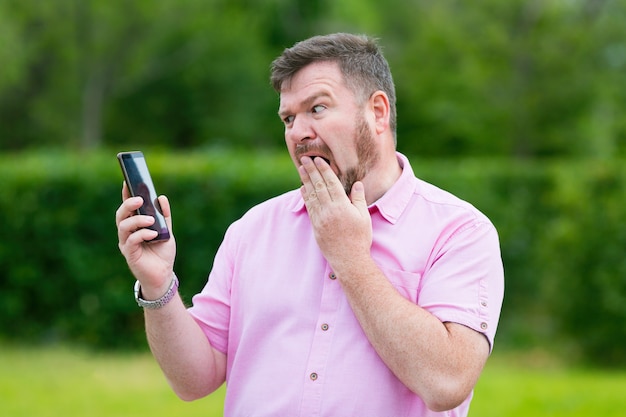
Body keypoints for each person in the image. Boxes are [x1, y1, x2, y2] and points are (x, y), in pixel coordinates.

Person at [116, 33, 504, 417]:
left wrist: (350, 257)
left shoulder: (459, 231)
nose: (298, 132)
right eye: (289, 117)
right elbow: (193, 381)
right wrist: (158, 284)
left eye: (317, 109)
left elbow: (446, 384)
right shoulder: (253, 229)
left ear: (378, 112)